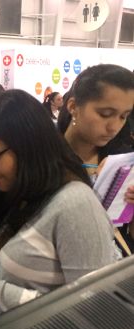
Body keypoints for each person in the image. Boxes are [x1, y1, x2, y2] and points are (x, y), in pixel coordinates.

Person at [0, 89, 120, 324]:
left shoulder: (75, 205)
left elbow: (94, 308)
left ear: (29, 146)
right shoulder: (9, 190)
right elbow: (7, 263)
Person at [57, 63, 134, 252]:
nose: (114, 126)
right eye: (105, 114)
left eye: (123, 117)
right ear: (73, 106)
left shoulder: (122, 161)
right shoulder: (45, 160)